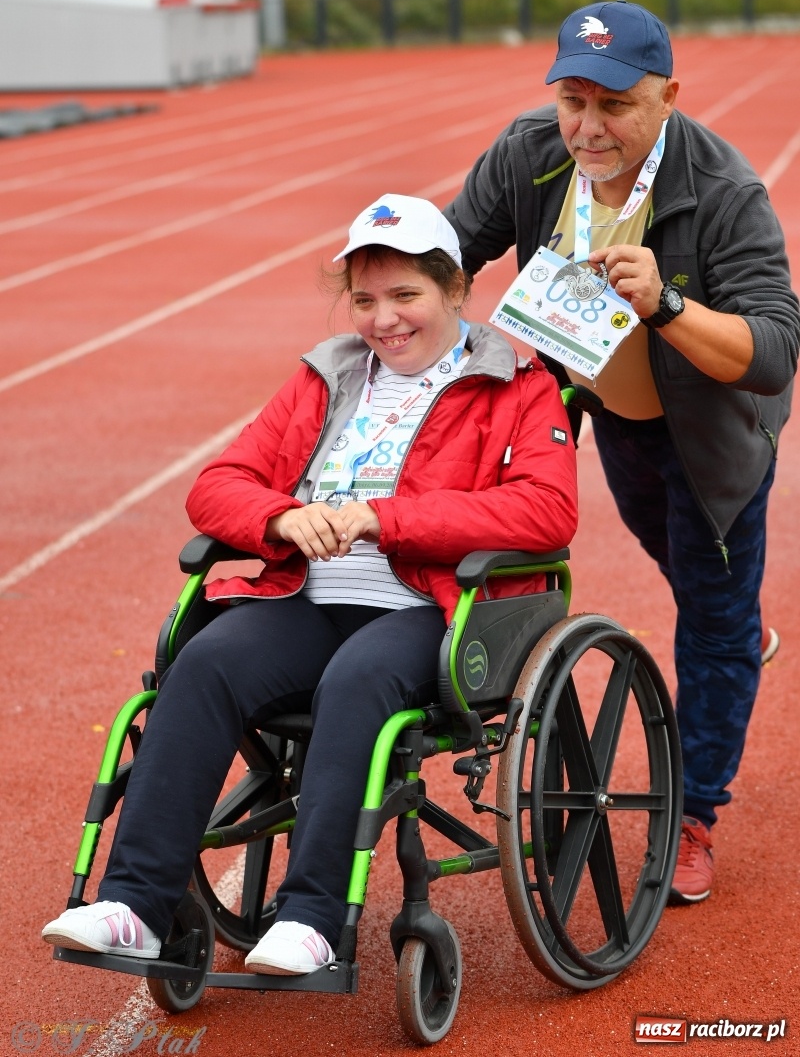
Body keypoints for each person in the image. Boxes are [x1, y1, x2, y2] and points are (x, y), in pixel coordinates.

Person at [42, 194, 578, 973]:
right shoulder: (328, 374)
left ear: (455, 290)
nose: (383, 319)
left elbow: (546, 512)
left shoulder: (519, 383)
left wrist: (383, 519)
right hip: (309, 597)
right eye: (364, 299)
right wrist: (283, 519)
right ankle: (134, 905)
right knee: (205, 662)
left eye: (405, 296)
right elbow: (218, 484)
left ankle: (313, 918)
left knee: (360, 678)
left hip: (432, 607)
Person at [444, 0, 800, 905]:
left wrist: (668, 307)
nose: (590, 128)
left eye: (617, 104)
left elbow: (772, 352)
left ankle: (696, 813)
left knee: (711, 620)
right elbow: (451, 255)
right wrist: (393, 287)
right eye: (574, 100)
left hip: (710, 429)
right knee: (682, 568)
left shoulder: (723, 192)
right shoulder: (533, 153)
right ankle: (729, 628)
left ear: (669, 95)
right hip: (607, 404)